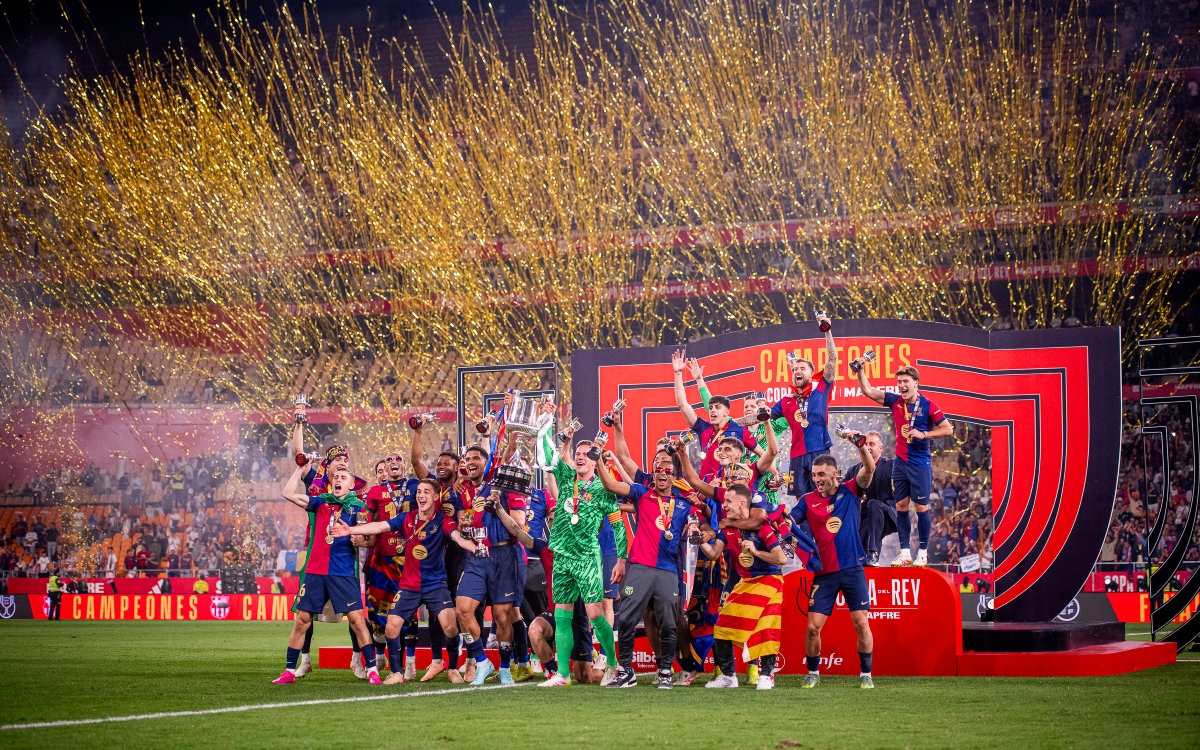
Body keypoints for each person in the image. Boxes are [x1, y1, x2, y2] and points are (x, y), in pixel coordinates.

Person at [334, 478, 476, 684]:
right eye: (419, 491)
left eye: (426, 492)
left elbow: (457, 537)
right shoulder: (406, 518)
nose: (421, 495)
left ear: (435, 497)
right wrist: (351, 530)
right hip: (409, 585)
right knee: (392, 627)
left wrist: (473, 546)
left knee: (450, 626)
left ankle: (453, 668)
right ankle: (397, 673)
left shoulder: (443, 521)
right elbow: (378, 527)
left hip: (436, 584)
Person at [535, 409, 627, 687]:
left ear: (595, 459)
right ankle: (562, 674)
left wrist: (621, 559)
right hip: (561, 556)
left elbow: (619, 525)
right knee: (562, 616)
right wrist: (545, 425)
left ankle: (612, 665)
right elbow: (545, 455)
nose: (579, 455)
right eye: (577, 452)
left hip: (586, 558)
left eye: (586, 453)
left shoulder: (603, 489)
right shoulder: (565, 478)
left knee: (596, 614)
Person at [274, 461, 379, 685]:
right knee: (302, 620)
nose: (338, 479)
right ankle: (289, 671)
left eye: (343, 477)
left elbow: (371, 539)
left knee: (357, 620)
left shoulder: (358, 508)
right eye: (336, 477)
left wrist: (359, 538)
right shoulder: (320, 503)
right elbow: (288, 493)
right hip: (315, 571)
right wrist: (300, 469)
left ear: (351, 485)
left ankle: (371, 669)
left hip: (342, 572)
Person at [597, 449, 693, 690]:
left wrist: (702, 512)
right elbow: (609, 484)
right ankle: (627, 672)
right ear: (652, 474)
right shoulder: (641, 493)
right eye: (658, 467)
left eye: (668, 468)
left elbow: (711, 516)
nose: (662, 471)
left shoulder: (684, 503)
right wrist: (597, 459)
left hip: (668, 570)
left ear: (674, 476)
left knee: (669, 623)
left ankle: (665, 673)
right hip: (639, 567)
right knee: (627, 620)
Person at [790, 432, 877, 689]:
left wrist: (860, 446)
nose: (816, 479)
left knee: (861, 624)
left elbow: (869, 469)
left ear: (834, 474)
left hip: (852, 569)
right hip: (824, 573)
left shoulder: (851, 490)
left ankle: (866, 675)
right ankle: (813, 672)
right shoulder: (807, 501)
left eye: (821, 475)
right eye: (814, 475)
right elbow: (789, 522)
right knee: (812, 628)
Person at [857, 364, 952, 566]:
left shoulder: (928, 405)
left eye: (905, 381)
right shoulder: (895, 402)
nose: (901, 385)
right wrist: (860, 371)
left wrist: (924, 434)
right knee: (901, 505)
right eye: (899, 381)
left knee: (921, 506)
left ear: (916, 383)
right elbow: (868, 391)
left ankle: (923, 553)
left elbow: (947, 429)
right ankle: (906, 553)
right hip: (900, 462)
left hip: (920, 463)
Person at [696, 484, 787, 689]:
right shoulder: (727, 529)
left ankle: (765, 676)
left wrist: (756, 551)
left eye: (728, 501)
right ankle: (729, 676)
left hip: (770, 581)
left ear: (742, 503)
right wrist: (700, 541)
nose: (724, 505)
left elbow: (780, 558)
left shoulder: (762, 527)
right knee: (722, 627)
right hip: (745, 583)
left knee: (766, 628)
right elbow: (714, 554)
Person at [454, 445, 527, 686]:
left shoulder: (501, 485)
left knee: (502, 616)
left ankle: (505, 667)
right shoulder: (465, 490)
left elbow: (518, 523)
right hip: (477, 555)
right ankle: (482, 661)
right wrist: (465, 528)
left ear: (488, 464)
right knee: (462, 609)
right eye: (467, 458)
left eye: (477, 458)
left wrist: (498, 506)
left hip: (503, 554)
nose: (471, 462)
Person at [410, 418, 466, 681]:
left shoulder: (464, 488)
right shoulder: (432, 487)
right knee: (436, 609)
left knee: (464, 609)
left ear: (458, 466)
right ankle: (437, 660)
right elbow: (415, 462)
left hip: (460, 555)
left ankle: (463, 661)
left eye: (447, 463)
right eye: (439, 463)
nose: (441, 466)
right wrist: (418, 432)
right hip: (435, 557)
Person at [770, 313, 836, 496]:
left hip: (819, 451)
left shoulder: (821, 390)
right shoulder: (786, 401)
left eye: (802, 368)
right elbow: (762, 415)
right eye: (794, 369)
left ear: (811, 373)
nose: (796, 371)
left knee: (825, 496)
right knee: (801, 500)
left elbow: (832, 360)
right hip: (797, 455)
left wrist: (827, 331)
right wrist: (732, 422)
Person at [363, 454, 416, 678]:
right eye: (389, 460)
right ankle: (380, 653)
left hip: (410, 559)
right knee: (377, 612)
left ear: (405, 465)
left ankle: (409, 661)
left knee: (408, 613)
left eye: (399, 459)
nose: (394, 462)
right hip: (383, 560)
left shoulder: (415, 485)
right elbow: (367, 520)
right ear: (384, 467)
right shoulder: (375, 491)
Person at [671, 349, 756, 480]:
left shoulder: (739, 430)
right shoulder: (704, 428)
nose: (712, 410)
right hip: (706, 489)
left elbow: (764, 454)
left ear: (727, 412)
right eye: (710, 408)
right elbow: (682, 404)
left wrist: (753, 477)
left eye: (717, 407)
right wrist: (678, 373)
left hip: (731, 488)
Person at [841, 431, 896, 566]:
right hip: (864, 519)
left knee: (874, 504)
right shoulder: (853, 470)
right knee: (857, 558)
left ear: (880, 448)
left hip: (886, 514)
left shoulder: (891, 465)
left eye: (872, 444)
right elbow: (841, 493)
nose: (868, 447)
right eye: (865, 444)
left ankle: (873, 552)